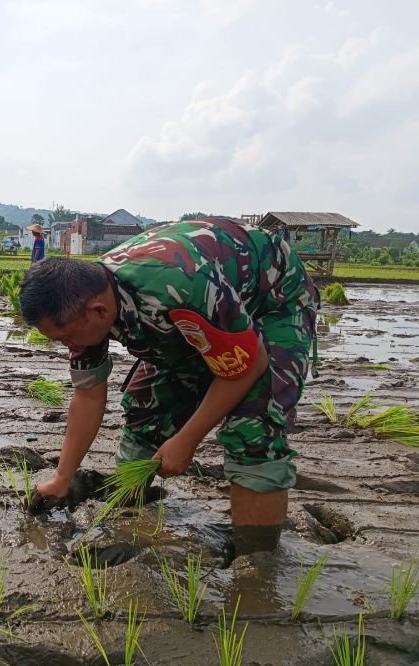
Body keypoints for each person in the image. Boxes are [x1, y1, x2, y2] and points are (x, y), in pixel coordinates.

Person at [19, 218, 318, 555]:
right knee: (147, 408)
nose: (67, 345)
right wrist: (62, 476)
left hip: (270, 299)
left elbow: (248, 366)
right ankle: (131, 512)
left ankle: (257, 567)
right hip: (199, 315)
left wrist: (186, 440)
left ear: (98, 311)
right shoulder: (84, 304)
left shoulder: (179, 288)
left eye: (67, 337)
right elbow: (88, 395)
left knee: (254, 430)